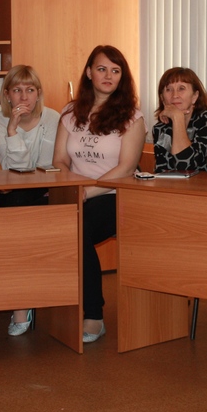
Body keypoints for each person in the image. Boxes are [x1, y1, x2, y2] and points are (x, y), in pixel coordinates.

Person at [53, 45, 145, 343]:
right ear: (89, 72)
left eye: (115, 71)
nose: (108, 76)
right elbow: (59, 160)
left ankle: (93, 316)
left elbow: (126, 168)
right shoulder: (70, 112)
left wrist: (87, 191)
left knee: (77, 229)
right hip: (76, 192)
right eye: (102, 69)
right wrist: (74, 188)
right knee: (35, 219)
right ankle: (38, 303)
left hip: (115, 194)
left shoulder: (132, 117)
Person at [0, 65, 61, 336]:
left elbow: (45, 166)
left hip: (45, 190)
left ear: (38, 93)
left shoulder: (53, 118)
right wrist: (12, 130)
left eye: (30, 90)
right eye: (17, 90)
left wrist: (19, 148)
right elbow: (16, 169)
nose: (24, 97)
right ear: (7, 95)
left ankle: (29, 299)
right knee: (15, 226)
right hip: (15, 192)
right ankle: (22, 302)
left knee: (25, 228)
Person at [152, 67, 207, 172]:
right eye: (168, 89)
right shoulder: (160, 128)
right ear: (162, 98)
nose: (175, 95)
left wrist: (177, 118)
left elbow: (185, 166)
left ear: (195, 96)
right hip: (172, 183)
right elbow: (162, 170)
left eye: (181, 88)